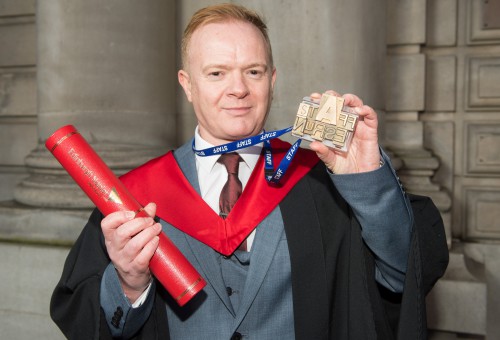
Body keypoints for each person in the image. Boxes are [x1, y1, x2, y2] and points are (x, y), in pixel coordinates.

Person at [50, 3, 448, 340]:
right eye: (217, 72)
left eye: (253, 71)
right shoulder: (136, 197)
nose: (238, 88)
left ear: (272, 81)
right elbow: (91, 320)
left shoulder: (320, 181)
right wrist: (129, 283)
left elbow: (401, 278)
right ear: (187, 85)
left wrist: (366, 179)